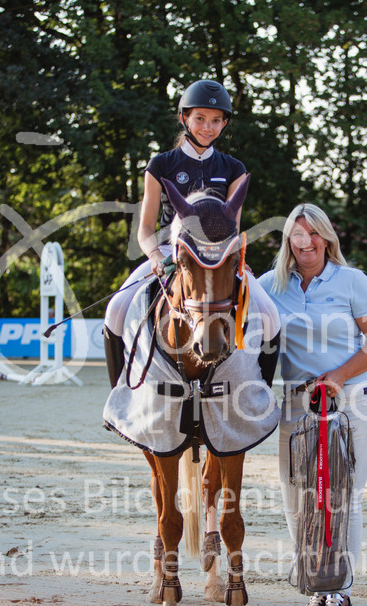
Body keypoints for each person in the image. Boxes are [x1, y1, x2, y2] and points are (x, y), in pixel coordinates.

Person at [258, 203, 367, 606]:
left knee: (341, 500)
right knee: (298, 503)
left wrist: (336, 377)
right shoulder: (268, 286)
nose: (306, 242)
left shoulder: (351, 281)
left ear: (327, 238)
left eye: (313, 233)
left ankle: (340, 595)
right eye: (297, 234)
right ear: (287, 241)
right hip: (297, 404)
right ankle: (318, 592)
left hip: (352, 399)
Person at [103, 79, 279, 384]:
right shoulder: (161, 164)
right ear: (185, 118)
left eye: (215, 121)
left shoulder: (233, 168)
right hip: (173, 255)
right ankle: (119, 392)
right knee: (116, 309)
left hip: (219, 260)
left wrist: (237, 260)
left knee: (270, 316)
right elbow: (145, 229)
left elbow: (232, 229)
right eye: (200, 119)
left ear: (224, 124)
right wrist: (156, 257)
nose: (207, 128)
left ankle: (259, 389)